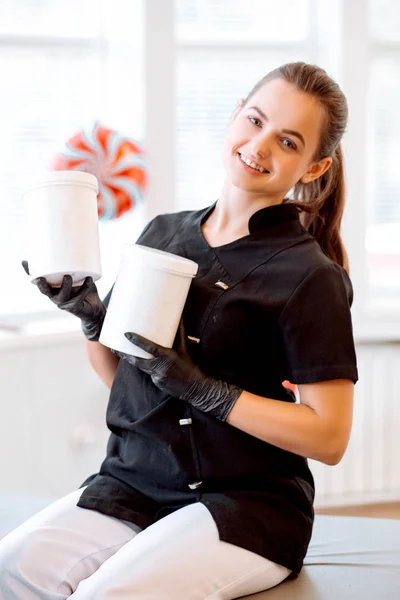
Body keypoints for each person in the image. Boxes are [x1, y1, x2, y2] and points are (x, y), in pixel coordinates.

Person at [0, 61, 358, 599]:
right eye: (255, 120)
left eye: (287, 141)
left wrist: (204, 390)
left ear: (313, 167)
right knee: (13, 567)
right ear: (235, 114)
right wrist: (91, 318)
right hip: (135, 485)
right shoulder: (164, 234)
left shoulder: (311, 277)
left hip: (244, 507)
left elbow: (329, 438)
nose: (259, 146)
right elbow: (124, 379)